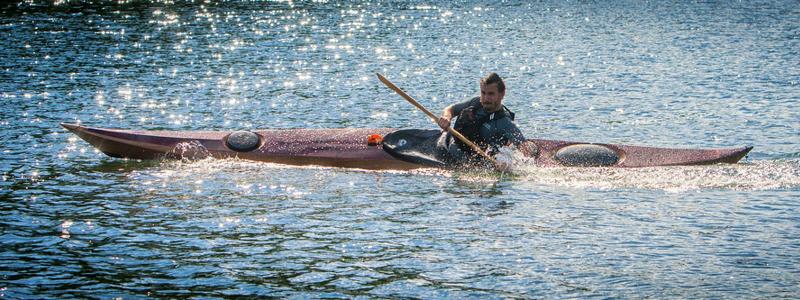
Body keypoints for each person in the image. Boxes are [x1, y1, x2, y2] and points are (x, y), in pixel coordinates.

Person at [436, 72, 529, 165]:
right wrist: (446, 117)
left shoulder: (505, 122)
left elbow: (524, 145)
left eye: (491, 94)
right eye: (483, 93)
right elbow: (451, 109)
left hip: (472, 164)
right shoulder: (475, 102)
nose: (485, 98)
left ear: (502, 94)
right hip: (446, 148)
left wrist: (507, 164)